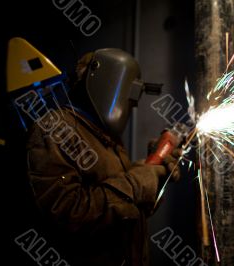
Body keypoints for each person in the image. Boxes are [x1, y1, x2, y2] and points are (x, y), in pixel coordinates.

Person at [26, 48, 181, 266]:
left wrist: (155, 173)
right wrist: (137, 183)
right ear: (109, 82)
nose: (133, 104)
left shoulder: (107, 137)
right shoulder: (55, 129)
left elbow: (129, 211)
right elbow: (68, 214)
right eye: (130, 94)